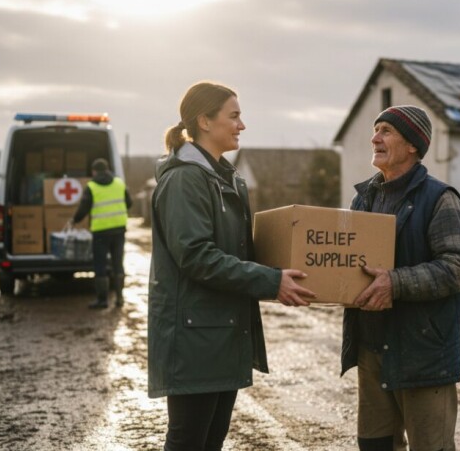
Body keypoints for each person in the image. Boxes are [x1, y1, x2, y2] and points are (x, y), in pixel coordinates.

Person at [148, 80, 316, 451]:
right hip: (195, 336)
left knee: (211, 440)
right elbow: (196, 256)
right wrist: (271, 281)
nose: (242, 125)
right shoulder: (185, 180)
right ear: (205, 121)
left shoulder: (226, 179)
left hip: (220, 331)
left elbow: (239, 250)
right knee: (189, 440)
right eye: (234, 116)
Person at [340, 105, 460, 451]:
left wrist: (395, 283)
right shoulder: (364, 198)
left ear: (413, 144)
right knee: (375, 445)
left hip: (422, 353)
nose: (375, 138)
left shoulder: (440, 199)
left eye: (385, 130)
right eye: (375, 130)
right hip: (372, 350)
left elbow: (458, 267)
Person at [72, 158, 133, 309]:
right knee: (118, 263)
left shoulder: (92, 186)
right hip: (119, 230)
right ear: (107, 169)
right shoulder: (119, 183)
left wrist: (75, 220)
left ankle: (102, 300)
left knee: (100, 264)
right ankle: (119, 298)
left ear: (94, 171)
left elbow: (84, 208)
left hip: (101, 232)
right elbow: (129, 203)